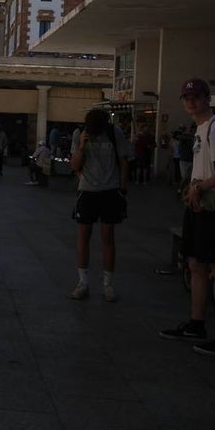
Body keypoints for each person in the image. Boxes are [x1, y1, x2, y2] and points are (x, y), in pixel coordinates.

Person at [160, 78, 215, 356]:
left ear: (207, 98)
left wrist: (201, 187)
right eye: (186, 97)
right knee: (195, 264)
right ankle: (197, 324)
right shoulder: (200, 128)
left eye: (196, 97)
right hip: (199, 208)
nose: (191, 102)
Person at [69, 108, 132, 302]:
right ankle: (83, 282)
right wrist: (81, 146)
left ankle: (108, 284)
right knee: (83, 236)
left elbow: (123, 161)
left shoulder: (115, 133)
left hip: (110, 190)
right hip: (87, 190)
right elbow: (74, 165)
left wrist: (122, 186)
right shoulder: (80, 134)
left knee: (108, 237)